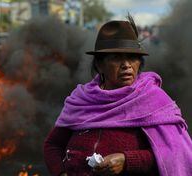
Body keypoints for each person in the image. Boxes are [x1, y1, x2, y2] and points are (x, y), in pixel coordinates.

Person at [44, 15, 192, 176]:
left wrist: (127, 160)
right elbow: (53, 145)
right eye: (116, 58)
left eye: (132, 58)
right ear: (100, 64)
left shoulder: (154, 100)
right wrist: (61, 173)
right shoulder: (81, 99)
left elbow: (175, 152)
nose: (126, 65)